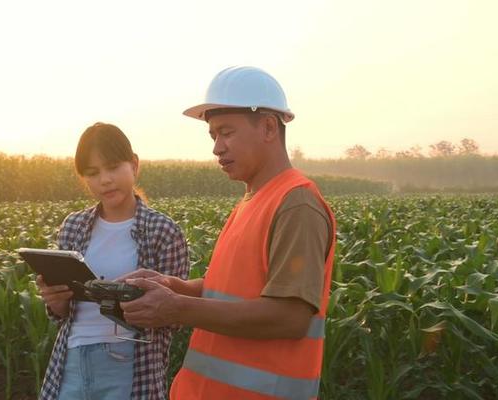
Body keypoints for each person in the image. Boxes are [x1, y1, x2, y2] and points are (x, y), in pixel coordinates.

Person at [120, 66, 337, 400]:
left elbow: (289, 317)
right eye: (213, 136)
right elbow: (232, 291)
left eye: (227, 132)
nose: (217, 148)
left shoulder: (296, 203)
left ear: (267, 127)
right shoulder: (252, 200)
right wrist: (177, 288)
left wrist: (176, 307)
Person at [35, 122, 190, 400]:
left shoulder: (163, 231)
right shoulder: (74, 226)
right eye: (93, 173)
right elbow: (62, 315)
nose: (105, 180)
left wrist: (129, 303)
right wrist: (56, 303)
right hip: (71, 360)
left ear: (134, 165)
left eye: (113, 167)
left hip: (130, 362)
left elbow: (175, 316)